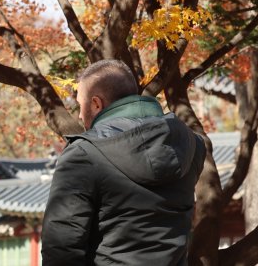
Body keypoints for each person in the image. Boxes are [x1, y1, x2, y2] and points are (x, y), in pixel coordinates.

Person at [41, 59, 205, 265]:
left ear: (96, 103)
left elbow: (61, 247)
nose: (80, 115)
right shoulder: (191, 146)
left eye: (80, 105)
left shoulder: (84, 154)